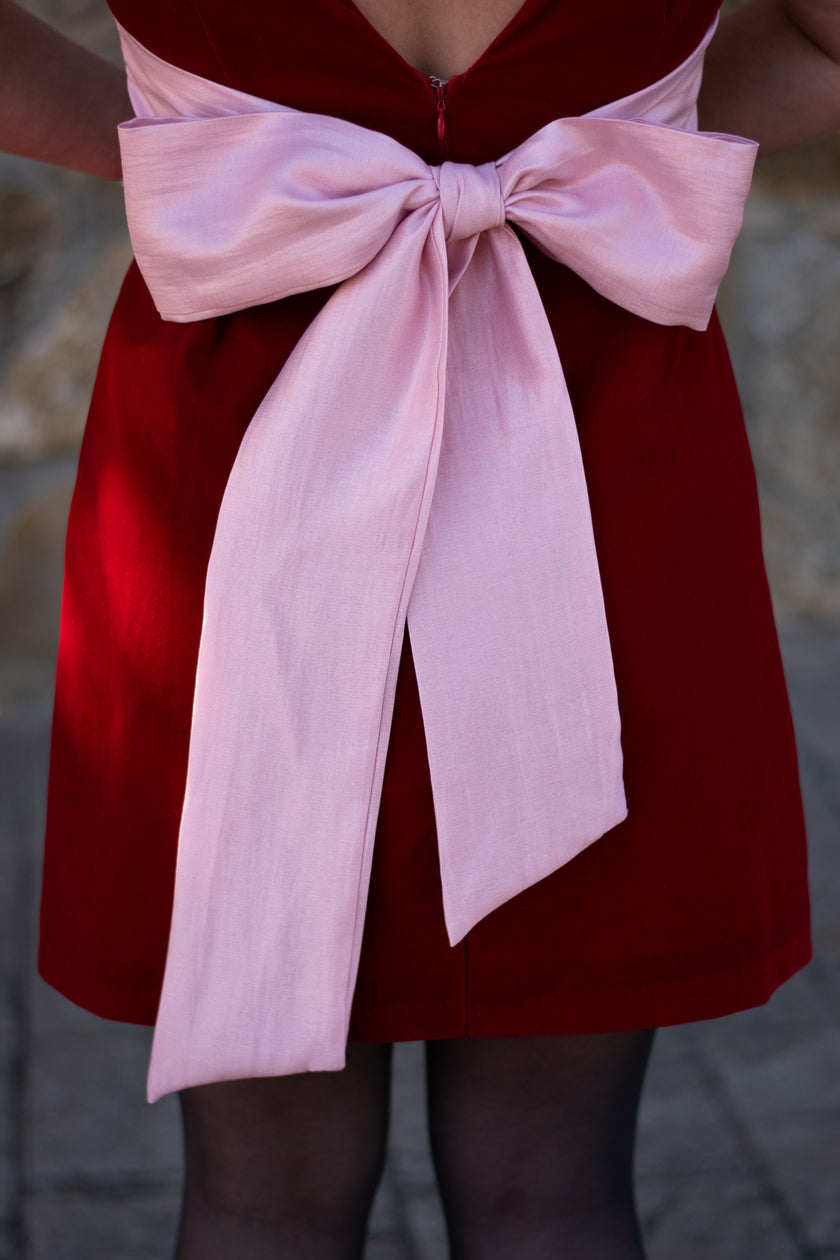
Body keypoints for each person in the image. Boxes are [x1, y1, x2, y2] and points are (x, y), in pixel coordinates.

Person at [2, 0, 837, 1256]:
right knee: (551, 1189)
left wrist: (205, 151)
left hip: (235, 471)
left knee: (259, 1201)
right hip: (599, 480)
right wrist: (611, 135)